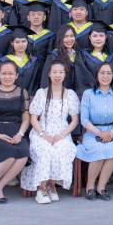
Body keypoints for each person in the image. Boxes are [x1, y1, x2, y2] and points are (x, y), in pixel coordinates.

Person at [22, 61, 80, 203]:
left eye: (60, 72)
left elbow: (74, 120)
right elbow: (33, 118)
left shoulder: (70, 94)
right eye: (54, 72)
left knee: (62, 150)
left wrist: (61, 135)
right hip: (41, 132)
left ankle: (51, 186)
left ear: (65, 74)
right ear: (49, 74)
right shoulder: (41, 93)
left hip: (62, 133)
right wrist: (44, 135)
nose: (57, 75)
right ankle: (41, 189)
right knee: (46, 152)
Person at [76, 62, 113, 201]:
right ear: (96, 75)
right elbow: (84, 120)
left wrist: (111, 133)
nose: (105, 76)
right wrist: (99, 133)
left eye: (108, 73)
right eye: (102, 73)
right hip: (92, 133)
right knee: (99, 150)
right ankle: (90, 186)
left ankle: (101, 187)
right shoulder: (88, 94)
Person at [0, 61, 31, 205]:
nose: (7, 77)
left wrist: (20, 134)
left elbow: (26, 118)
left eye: (11, 74)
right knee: (8, 152)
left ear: (16, 75)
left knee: (23, 153)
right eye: (4, 73)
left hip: (16, 130)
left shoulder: (22, 92)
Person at [0, 26, 42, 95]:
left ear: (27, 42)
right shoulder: (3, 61)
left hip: (29, 98)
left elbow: (35, 83)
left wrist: (28, 97)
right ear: (12, 43)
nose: (21, 45)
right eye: (17, 42)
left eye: (23, 41)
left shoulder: (34, 61)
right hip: (8, 97)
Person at [75, 21, 113, 89]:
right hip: (90, 92)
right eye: (95, 36)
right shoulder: (82, 56)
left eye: (101, 35)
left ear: (106, 37)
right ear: (89, 37)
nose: (98, 39)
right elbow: (82, 78)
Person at [41, 25, 78, 94]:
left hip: (76, 94)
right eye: (65, 36)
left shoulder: (79, 55)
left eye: (72, 36)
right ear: (60, 38)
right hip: (58, 94)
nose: (69, 39)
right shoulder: (53, 56)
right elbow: (46, 79)